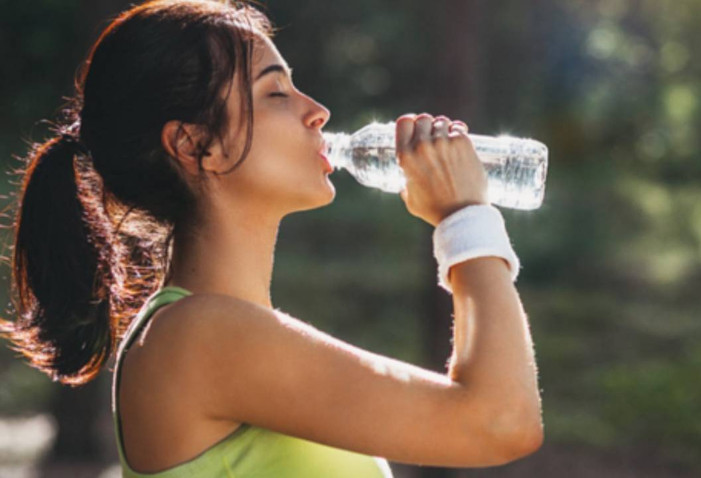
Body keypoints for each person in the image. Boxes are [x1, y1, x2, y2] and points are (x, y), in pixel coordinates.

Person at [0, 0, 543, 476]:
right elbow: (498, 423)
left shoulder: (218, 329)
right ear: (195, 145)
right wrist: (464, 214)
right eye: (276, 92)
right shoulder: (199, 335)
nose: (318, 112)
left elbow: (495, 420)